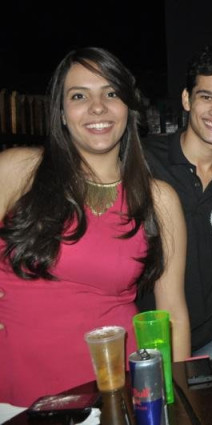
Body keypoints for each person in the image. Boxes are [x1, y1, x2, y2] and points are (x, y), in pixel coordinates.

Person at [0, 47, 190, 406]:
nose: (98, 107)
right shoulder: (17, 170)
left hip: (112, 392)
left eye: (111, 93)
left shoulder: (159, 200)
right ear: (60, 112)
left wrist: (176, 398)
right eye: (79, 96)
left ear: (128, 107)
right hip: (13, 389)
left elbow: (174, 316)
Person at [138, 45, 212, 358]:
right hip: (140, 337)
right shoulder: (142, 160)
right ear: (187, 99)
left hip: (205, 337)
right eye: (207, 97)